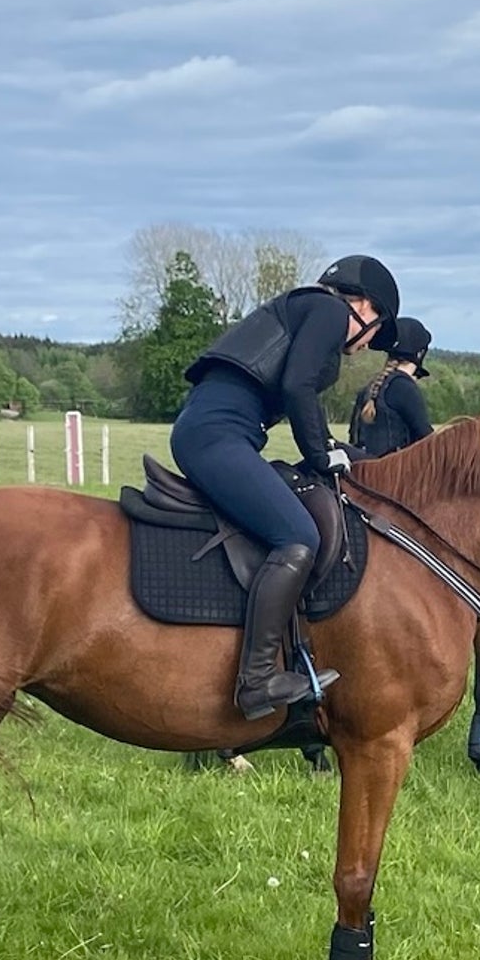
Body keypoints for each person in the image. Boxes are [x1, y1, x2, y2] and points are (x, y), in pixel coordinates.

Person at [171, 254, 400, 719]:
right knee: (299, 536)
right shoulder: (331, 311)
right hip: (218, 434)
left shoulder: (304, 309)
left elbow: (303, 401)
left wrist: (338, 450)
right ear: (364, 306)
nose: (371, 342)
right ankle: (256, 681)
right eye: (377, 329)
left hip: (217, 430)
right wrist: (320, 456)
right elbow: (298, 387)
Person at [349, 316, 434, 455]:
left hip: (361, 470)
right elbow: (427, 438)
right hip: (394, 473)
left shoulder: (370, 387)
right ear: (420, 353)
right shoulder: (404, 388)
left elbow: (354, 437)